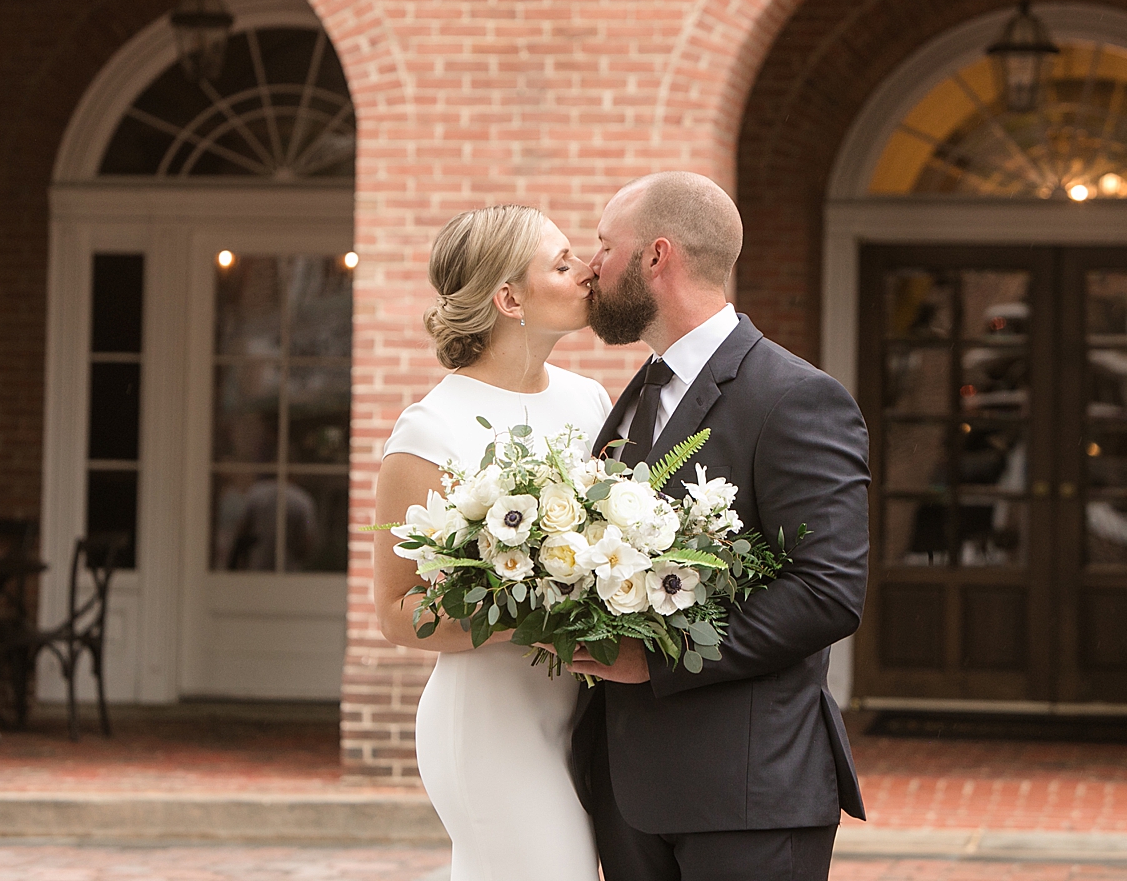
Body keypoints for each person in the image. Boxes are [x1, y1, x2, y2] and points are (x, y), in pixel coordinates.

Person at [571, 171, 870, 881]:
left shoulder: (797, 398)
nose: (591, 266)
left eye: (604, 246)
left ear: (656, 256)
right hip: (629, 792)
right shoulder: (635, 396)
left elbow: (827, 591)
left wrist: (657, 661)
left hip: (747, 793)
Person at [372, 204, 609, 881]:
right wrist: (532, 617)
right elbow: (395, 612)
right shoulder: (430, 430)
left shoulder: (589, 401)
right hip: (489, 724)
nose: (587, 270)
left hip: (579, 712)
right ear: (509, 298)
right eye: (562, 264)